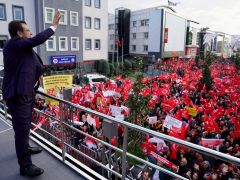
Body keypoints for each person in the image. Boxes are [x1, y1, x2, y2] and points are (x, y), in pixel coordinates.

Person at [2, 11, 61, 177]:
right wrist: (53, 25)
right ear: (19, 33)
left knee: (24, 127)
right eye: (27, 30)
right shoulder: (13, 44)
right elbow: (38, 39)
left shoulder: (23, 47)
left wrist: (39, 72)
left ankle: (25, 148)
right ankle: (25, 166)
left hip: (26, 94)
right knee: (21, 130)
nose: (31, 33)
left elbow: (33, 61)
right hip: (18, 95)